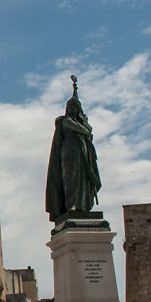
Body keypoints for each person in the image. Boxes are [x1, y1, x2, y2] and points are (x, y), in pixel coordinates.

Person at [45, 75, 101, 222]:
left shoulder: (77, 121)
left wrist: (84, 123)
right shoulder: (65, 121)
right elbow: (84, 130)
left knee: (82, 180)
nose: (72, 109)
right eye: (70, 107)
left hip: (81, 154)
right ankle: (72, 205)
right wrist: (84, 125)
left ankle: (82, 206)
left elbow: (88, 131)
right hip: (69, 153)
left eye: (75, 107)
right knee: (70, 179)